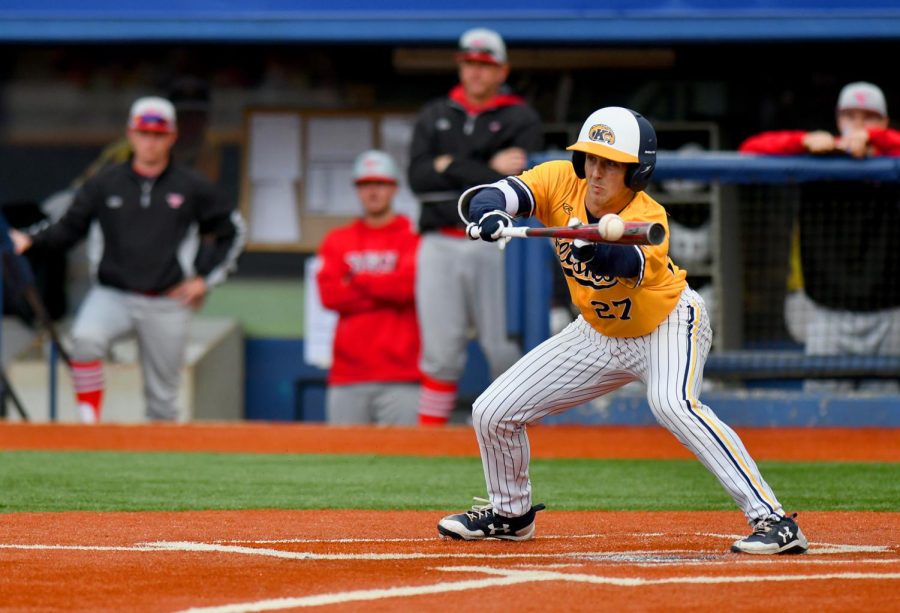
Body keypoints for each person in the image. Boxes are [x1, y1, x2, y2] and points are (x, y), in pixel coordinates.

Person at [436, 106, 808, 555]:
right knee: (492, 411)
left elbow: (624, 264)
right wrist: (495, 216)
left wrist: (590, 245)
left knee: (672, 404)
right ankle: (512, 515)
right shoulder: (560, 180)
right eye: (591, 158)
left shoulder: (649, 216)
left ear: (636, 171)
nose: (596, 171)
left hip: (666, 324)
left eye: (610, 163)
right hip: (597, 333)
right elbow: (491, 194)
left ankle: (773, 518)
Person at [10, 96, 245, 423]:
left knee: (163, 401)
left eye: (158, 135)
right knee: (86, 339)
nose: (150, 142)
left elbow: (232, 230)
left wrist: (204, 279)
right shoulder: (106, 183)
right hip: (113, 294)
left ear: (172, 137)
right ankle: (89, 421)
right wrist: (30, 240)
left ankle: (156, 464)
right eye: (144, 133)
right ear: (131, 135)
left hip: (167, 299)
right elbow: (68, 227)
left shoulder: (191, 186)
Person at [408, 27, 543, 426]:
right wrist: (487, 168)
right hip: (439, 240)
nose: (476, 73)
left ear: (502, 70)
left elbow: (520, 178)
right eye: (469, 64)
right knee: (440, 352)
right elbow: (418, 178)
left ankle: (504, 434)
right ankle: (429, 445)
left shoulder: (520, 116)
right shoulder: (435, 113)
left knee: (504, 346)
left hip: (498, 243)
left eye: (485, 65)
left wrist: (449, 165)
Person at [740, 82, 900, 391]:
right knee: (824, 416)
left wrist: (875, 140)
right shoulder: (817, 160)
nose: (859, 124)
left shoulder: (893, 161)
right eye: (851, 115)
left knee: (890, 422)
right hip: (829, 313)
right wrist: (803, 142)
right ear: (839, 119)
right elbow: (751, 148)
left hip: (890, 315)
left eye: (869, 117)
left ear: (883, 122)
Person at [316, 150, 421, 425]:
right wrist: (386, 290)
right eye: (365, 185)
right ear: (357, 189)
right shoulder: (337, 240)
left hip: (403, 374)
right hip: (348, 374)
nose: (372, 191)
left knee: (406, 463)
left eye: (380, 183)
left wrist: (358, 280)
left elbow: (407, 289)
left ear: (394, 187)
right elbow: (330, 296)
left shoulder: (414, 235)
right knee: (342, 464)